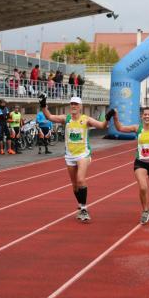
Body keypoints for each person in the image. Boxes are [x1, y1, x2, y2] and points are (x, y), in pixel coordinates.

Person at [40, 94, 109, 222]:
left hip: (83, 154)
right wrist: (43, 105)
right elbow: (49, 116)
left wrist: (108, 118)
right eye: (72, 104)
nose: (73, 106)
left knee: (81, 179)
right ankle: (80, 205)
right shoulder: (66, 119)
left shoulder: (86, 119)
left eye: (76, 104)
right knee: (75, 185)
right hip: (70, 155)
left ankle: (83, 208)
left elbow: (102, 126)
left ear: (80, 107)